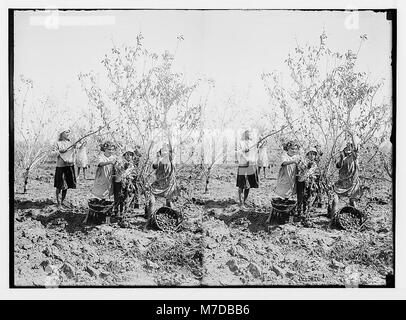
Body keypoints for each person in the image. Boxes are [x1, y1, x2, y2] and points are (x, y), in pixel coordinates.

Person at [330, 141, 361, 217]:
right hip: (342, 183)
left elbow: (356, 150)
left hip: (352, 183)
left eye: (349, 146)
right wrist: (341, 157)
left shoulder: (354, 156)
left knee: (352, 202)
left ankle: (356, 218)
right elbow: (338, 166)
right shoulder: (342, 157)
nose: (348, 148)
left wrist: (351, 135)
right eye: (346, 147)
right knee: (335, 200)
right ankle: (333, 219)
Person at [91, 141, 117, 223]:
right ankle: (99, 212)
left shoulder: (114, 157)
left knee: (108, 193)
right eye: (109, 149)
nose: (111, 151)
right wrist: (109, 162)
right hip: (102, 176)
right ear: (105, 149)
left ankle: (107, 212)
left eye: (112, 150)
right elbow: (100, 164)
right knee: (101, 192)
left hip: (110, 177)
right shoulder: (101, 156)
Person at [53, 128, 77, 211]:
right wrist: (60, 151)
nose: (68, 133)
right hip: (61, 166)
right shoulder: (58, 143)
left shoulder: (70, 143)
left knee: (66, 185)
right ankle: (59, 204)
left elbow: (74, 153)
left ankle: (62, 202)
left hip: (69, 165)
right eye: (66, 132)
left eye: (69, 132)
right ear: (62, 133)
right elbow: (52, 153)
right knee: (60, 185)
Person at [150, 143, 177, 210]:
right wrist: (158, 158)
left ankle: (170, 216)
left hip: (167, 184)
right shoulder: (160, 160)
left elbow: (154, 166)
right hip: (163, 183)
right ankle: (151, 217)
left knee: (168, 202)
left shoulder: (170, 159)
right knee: (153, 200)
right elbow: (154, 166)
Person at [236, 129, 259, 208]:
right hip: (243, 164)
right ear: (244, 134)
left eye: (250, 133)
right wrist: (243, 150)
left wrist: (253, 161)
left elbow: (255, 154)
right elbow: (237, 152)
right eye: (247, 133)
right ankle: (241, 202)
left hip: (251, 164)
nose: (249, 135)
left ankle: (244, 201)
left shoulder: (253, 143)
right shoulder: (240, 142)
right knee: (241, 184)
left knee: (248, 185)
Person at [296, 148, 318, 217]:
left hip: (309, 182)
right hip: (301, 181)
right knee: (300, 196)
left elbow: (313, 173)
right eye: (310, 154)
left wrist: (313, 177)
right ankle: (299, 212)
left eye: (313, 154)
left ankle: (305, 212)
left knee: (307, 197)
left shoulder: (314, 164)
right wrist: (307, 166)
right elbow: (300, 168)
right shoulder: (303, 161)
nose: (312, 156)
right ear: (307, 154)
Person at [112, 149, 134, 216]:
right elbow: (118, 169)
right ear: (125, 154)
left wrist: (130, 176)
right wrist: (123, 168)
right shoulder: (119, 161)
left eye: (131, 155)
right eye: (128, 154)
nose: (129, 156)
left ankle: (122, 212)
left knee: (125, 197)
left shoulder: (131, 164)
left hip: (126, 182)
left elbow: (131, 173)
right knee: (118, 197)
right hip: (118, 181)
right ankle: (116, 212)